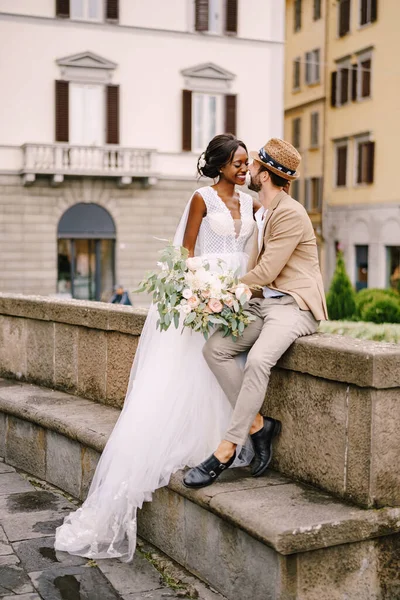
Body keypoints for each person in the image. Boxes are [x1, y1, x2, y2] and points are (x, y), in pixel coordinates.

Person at [54, 134, 259, 561]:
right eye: (238, 163)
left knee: (221, 369)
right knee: (189, 377)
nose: (244, 169)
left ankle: (219, 442)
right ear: (221, 165)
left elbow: (253, 256)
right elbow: (185, 254)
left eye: (246, 163)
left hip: (240, 299)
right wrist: (200, 294)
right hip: (204, 299)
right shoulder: (202, 199)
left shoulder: (252, 204)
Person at [184, 138, 328, 489]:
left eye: (254, 165)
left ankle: (226, 449)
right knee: (214, 349)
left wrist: (219, 294)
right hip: (264, 302)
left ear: (264, 175)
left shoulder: (290, 213)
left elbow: (265, 271)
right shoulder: (263, 211)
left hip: (295, 306)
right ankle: (259, 426)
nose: (248, 169)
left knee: (257, 361)